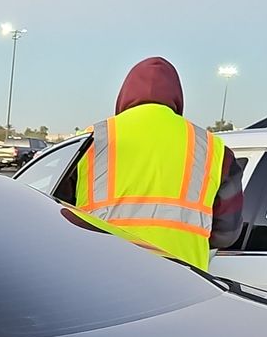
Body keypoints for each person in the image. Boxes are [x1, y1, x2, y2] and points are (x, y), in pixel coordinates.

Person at [74, 57, 243, 270]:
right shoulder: (213, 149)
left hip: (100, 278)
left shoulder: (90, 139)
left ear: (124, 95)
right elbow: (227, 233)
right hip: (183, 283)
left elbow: (51, 213)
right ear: (177, 98)